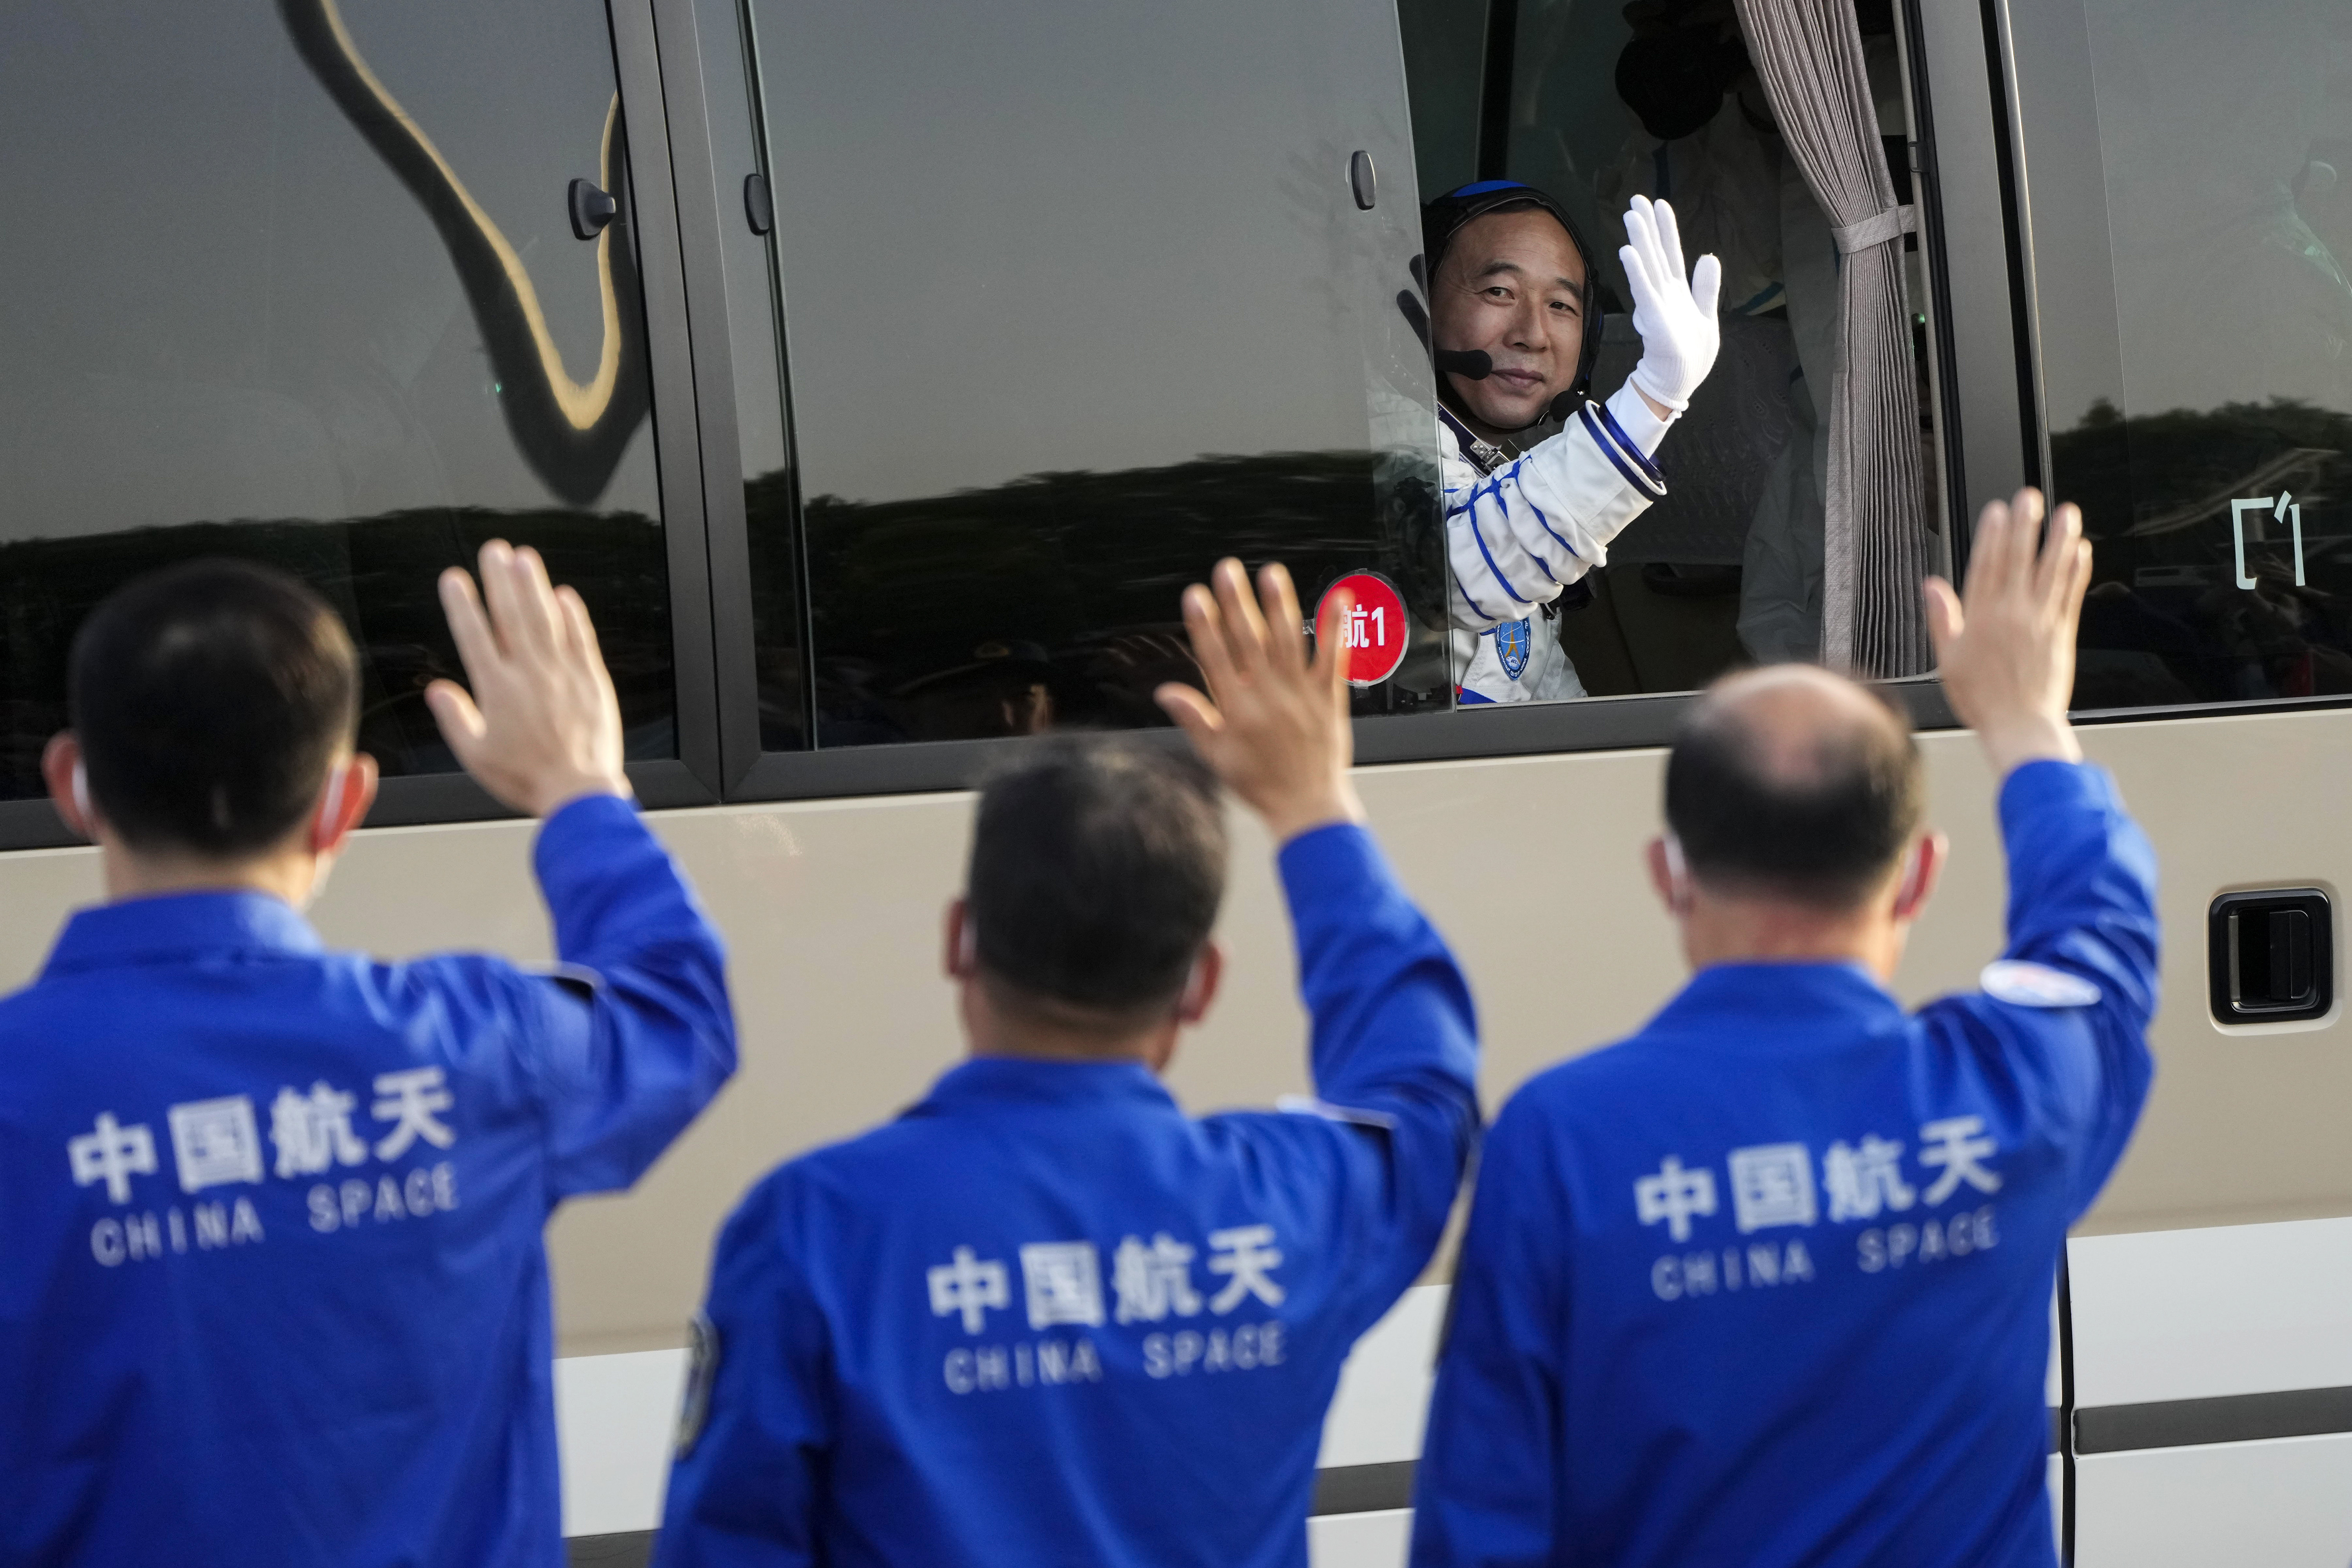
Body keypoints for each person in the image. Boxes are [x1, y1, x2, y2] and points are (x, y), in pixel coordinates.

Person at [657, 560, 1479, 1567]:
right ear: (1202, 983)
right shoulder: (1291, 1203)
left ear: (961, 941)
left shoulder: (813, 1226)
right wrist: (1315, 809)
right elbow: (1426, 1091)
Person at [1411, 489, 2159, 1567]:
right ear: (1919, 879)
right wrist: (2031, 726)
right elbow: (2105, 942)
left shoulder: (1559, 1140)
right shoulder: (2008, 1095)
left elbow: (1481, 1522)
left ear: (1669, 876)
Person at [0, 547, 736, 1566]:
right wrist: (582, 792)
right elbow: (679, 1008)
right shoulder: (480, 1047)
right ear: (344, 803)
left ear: (73, 788)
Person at [1426, 182, 1722, 702]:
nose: (1533, 334)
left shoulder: (1499, 473)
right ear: (1423, 303)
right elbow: (1454, 568)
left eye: (1562, 306)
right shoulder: (1367, 452)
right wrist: (1650, 399)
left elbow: (1553, 715)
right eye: (1499, 292)